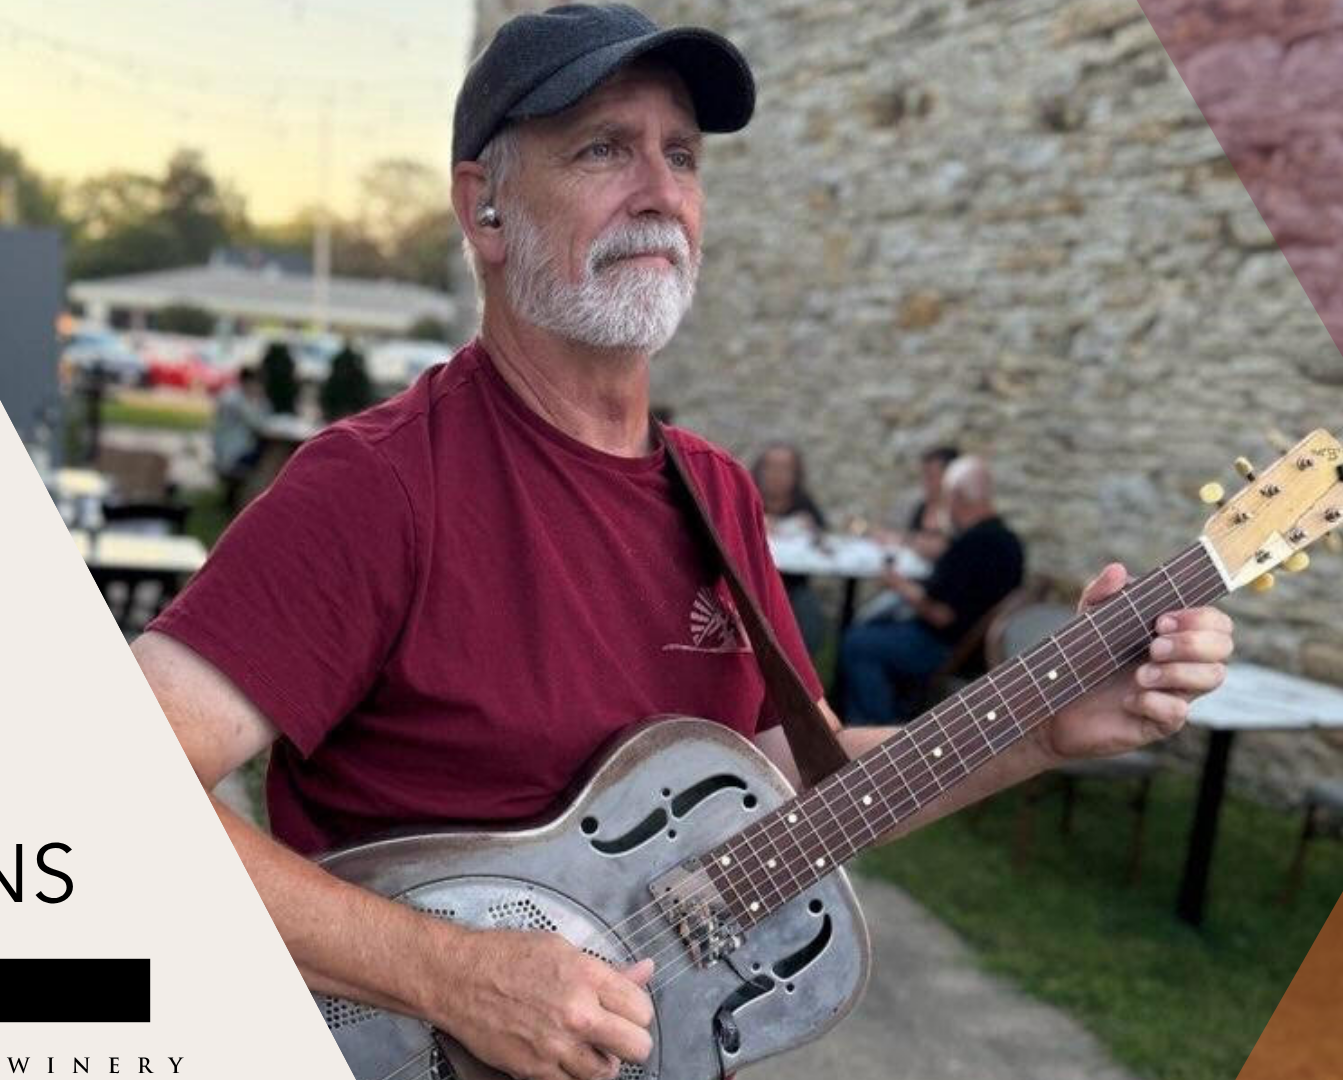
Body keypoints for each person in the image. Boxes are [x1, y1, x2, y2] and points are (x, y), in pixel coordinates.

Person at [131, 7, 1234, 1079]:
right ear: (486, 211)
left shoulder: (716, 494)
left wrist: (1044, 727)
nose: (660, 195)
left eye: (684, 156)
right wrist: (453, 975)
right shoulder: (376, 487)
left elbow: (787, 781)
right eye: (604, 149)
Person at [835, 456, 1024, 724]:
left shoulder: (972, 545)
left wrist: (898, 585)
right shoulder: (1009, 541)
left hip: (946, 648)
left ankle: (876, 733)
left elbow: (940, 614)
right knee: (875, 626)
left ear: (957, 496)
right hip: (969, 646)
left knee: (858, 642)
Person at [752, 441, 829, 657]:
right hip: (752, 586)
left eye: (785, 468)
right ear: (760, 470)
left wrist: (812, 530)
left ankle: (798, 680)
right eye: (771, 467)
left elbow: (825, 544)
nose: (777, 475)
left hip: (793, 587)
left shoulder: (803, 504)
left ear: (796, 474)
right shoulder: (746, 498)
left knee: (809, 622)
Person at [210, 367, 265, 510]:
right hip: (233, 452)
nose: (259, 387)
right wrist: (255, 400)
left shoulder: (234, 396)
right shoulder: (234, 400)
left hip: (234, 449)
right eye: (257, 383)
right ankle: (250, 500)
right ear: (249, 382)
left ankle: (244, 497)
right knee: (270, 457)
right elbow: (257, 424)